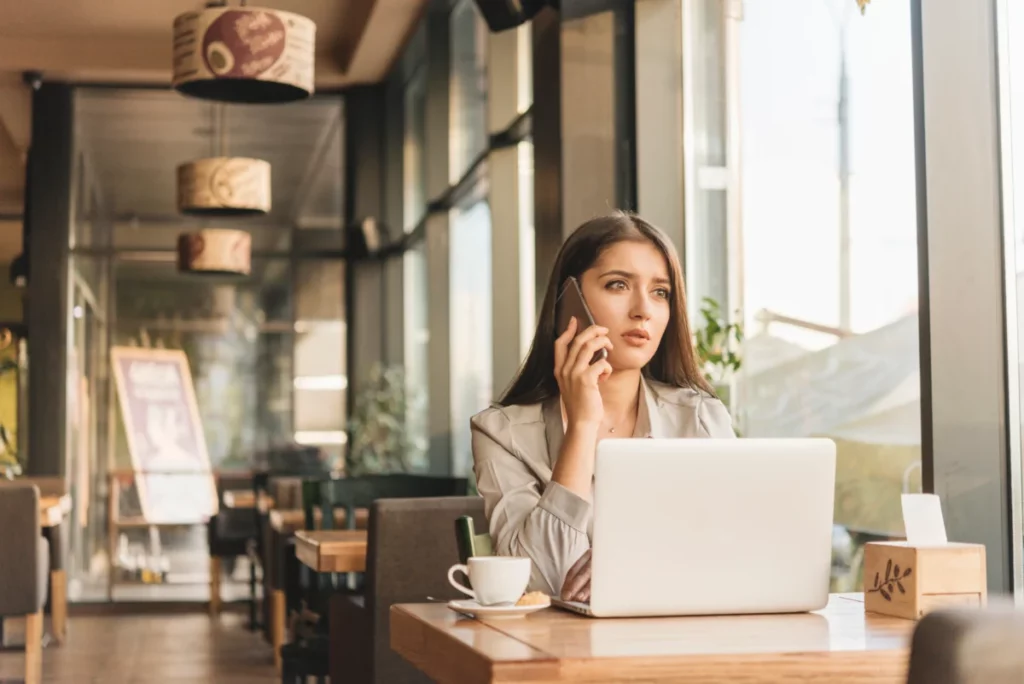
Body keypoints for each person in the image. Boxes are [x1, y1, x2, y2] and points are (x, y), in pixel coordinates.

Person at [470, 211, 736, 602]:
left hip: (685, 644)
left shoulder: (700, 418)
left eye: (660, 292)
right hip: (561, 655)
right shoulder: (502, 433)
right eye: (618, 285)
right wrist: (582, 426)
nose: (643, 309)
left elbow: (737, 555)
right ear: (569, 304)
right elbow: (541, 583)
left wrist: (634, 566)